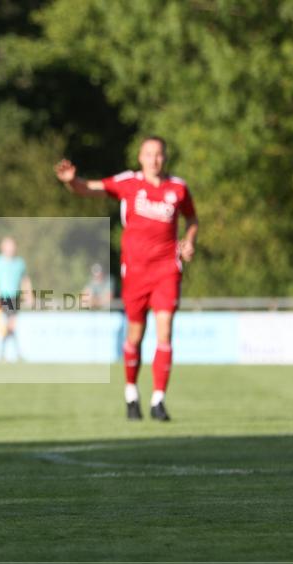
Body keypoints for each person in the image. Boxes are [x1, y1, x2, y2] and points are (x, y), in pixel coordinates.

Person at [55, 136, 198, 421]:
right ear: (140, 157)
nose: (154, 159)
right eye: (149, 154)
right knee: (135, 336)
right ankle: (131, 393)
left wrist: (189, 241)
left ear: (165, 157)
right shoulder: (129, 183)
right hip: (135, 271)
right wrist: (72, 181)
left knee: (165, 329)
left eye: (159, 154)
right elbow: (87, 189)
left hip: (167, 269)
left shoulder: (178, 188)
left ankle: (159, 400)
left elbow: (192, 219)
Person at [0, 236, 32, 361]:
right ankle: (13, 354)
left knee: (10, 326)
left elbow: (25, 280)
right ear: (3, 247)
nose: (11, 248)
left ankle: (4, 354)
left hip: (15, 298)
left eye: (12, 246)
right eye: (8, 246)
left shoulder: (19, 262)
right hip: (2, 297)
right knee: (10, 325)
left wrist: (28, 295)